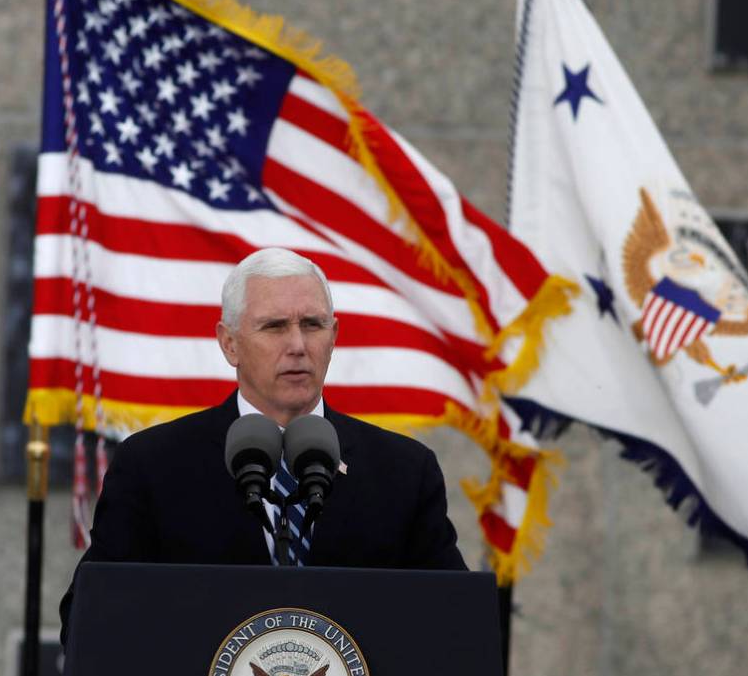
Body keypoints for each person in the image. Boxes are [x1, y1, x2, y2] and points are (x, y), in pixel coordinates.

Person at [59, 247, 467, 643]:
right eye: (274, 326)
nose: (297, 345)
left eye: (312, 324)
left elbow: (454, 623)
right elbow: (90, 618)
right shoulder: (153, 466)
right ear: (229, 344)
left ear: (334, 336)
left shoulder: (403, 473)